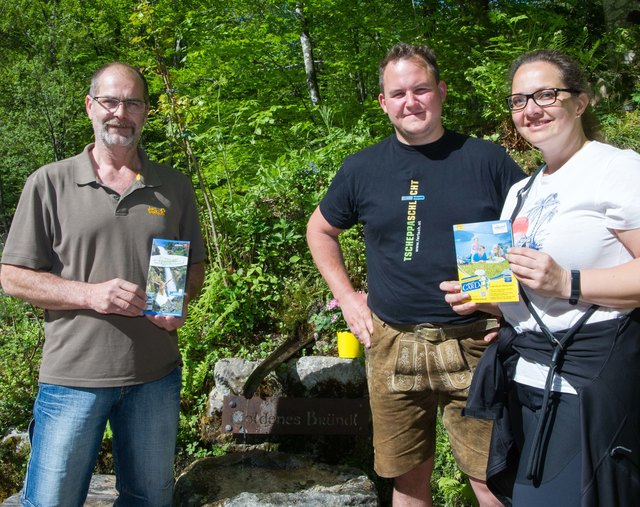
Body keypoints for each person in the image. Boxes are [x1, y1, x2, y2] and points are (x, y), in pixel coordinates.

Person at [306, 42, 524, 507]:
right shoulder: (362, 168)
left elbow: (532, 239)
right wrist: (346, 297)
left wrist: (508, 307)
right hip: (392, 342)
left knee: (493, 481)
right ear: (384, 102)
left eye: (421, 89)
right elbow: (319, 229)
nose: (412, 101)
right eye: (398, 93)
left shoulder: (488, 160)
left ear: (441, 92)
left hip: (477, 341)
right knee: (407, 482)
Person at [0, 62, 206, 506]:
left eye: (132, 102)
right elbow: (12, 277)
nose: (121, 112)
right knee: (51, 501)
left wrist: (181, 300)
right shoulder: (49, 182)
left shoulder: (172, 185)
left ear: (147, 112)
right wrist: (90, 294)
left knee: (149, 500)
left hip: (156, 377)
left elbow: (192, 263)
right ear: (90, 106)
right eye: (110, 101)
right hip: (72, 377)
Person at [442, 49, 640, 506]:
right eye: (518, 100)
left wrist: (567, 281)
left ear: (581, 101)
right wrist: (487, 300)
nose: (531, 109)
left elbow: (562, 285)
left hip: (589, 381)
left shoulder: (616, 169)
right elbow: (532, 295)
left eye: (546, 94)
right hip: (525, 380)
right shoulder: (521, 190)